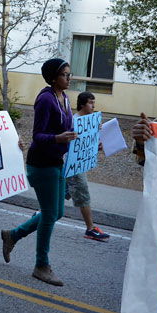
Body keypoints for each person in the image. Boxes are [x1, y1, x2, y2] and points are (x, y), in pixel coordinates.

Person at [1, 58, 78, 287]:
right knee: (49, 214)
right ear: (54, 77)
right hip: (42, 164)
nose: (69, 78)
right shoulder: (46, 99)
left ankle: (13, 235)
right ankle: (41, 265)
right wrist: (57, 138)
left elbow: (70, 130)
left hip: (57, 162)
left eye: (69, 74)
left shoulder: (64, 97)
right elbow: (38, 135)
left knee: (57, 212)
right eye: (65, 74)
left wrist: (87, 140)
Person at [68, 92, 110, 241]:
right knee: (83, 192)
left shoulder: (90, 122)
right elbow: (73, 145)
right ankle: (90, 229)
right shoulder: (74, 121)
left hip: (76, 165)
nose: (94, 106)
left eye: (94, 102)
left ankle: (40, 214)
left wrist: (95, 146)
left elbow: (88, 145)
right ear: (82, 105)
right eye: (90, 103)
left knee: (60, 194)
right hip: (73, 165)